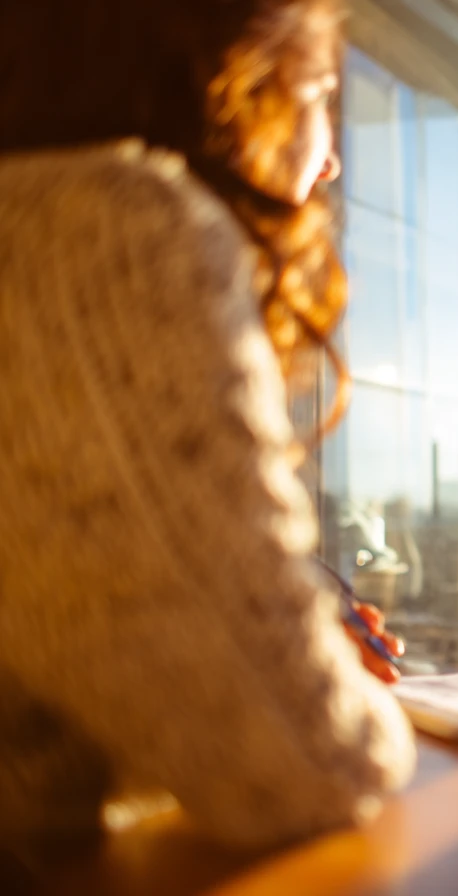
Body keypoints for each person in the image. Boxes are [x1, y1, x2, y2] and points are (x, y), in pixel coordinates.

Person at [0, 0, 417, 876]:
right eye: (315, 95)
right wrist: (321, 687)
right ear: (229, 94)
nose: (331, 156)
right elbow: (301, 770)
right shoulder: (103, 230)